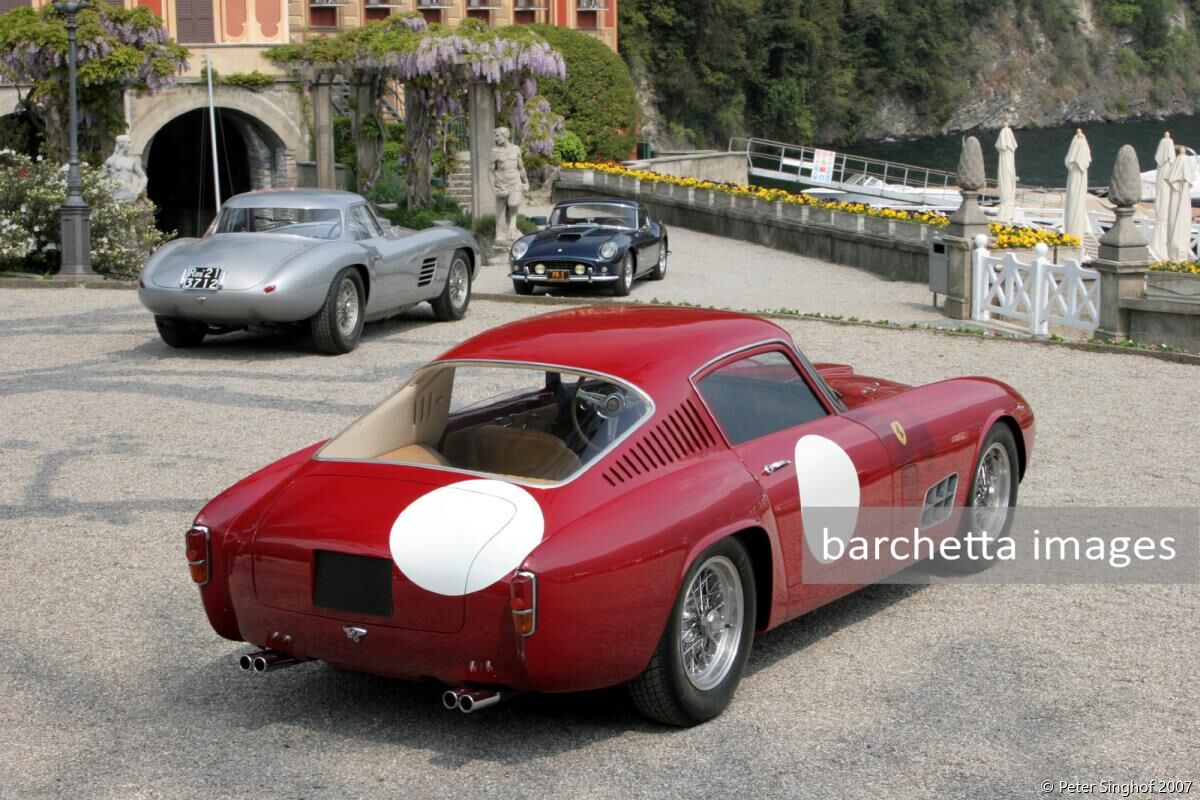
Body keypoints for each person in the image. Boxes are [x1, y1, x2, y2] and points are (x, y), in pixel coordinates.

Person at [488, 126, 528, 244]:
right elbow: (490, 171)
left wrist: (526, 181)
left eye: (497, 136)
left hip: (515, 181)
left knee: (513, 203)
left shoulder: (516, 149)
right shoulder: (494, 151)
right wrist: (493, 188)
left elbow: (521, 168)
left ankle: (512, 227)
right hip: (501, 184)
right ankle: (500, 234)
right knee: (500, 210)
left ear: (505, 136)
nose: (495, 138)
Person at [103, 135, 148, 203]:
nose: (131, 145)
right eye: (129, 142)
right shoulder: (111, 160)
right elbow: (103, 178)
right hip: (114, 196)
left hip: (129, 194)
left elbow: (143, 177)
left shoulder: (132, 160)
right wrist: (108, 192)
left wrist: (138, 192)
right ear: (122, 144)